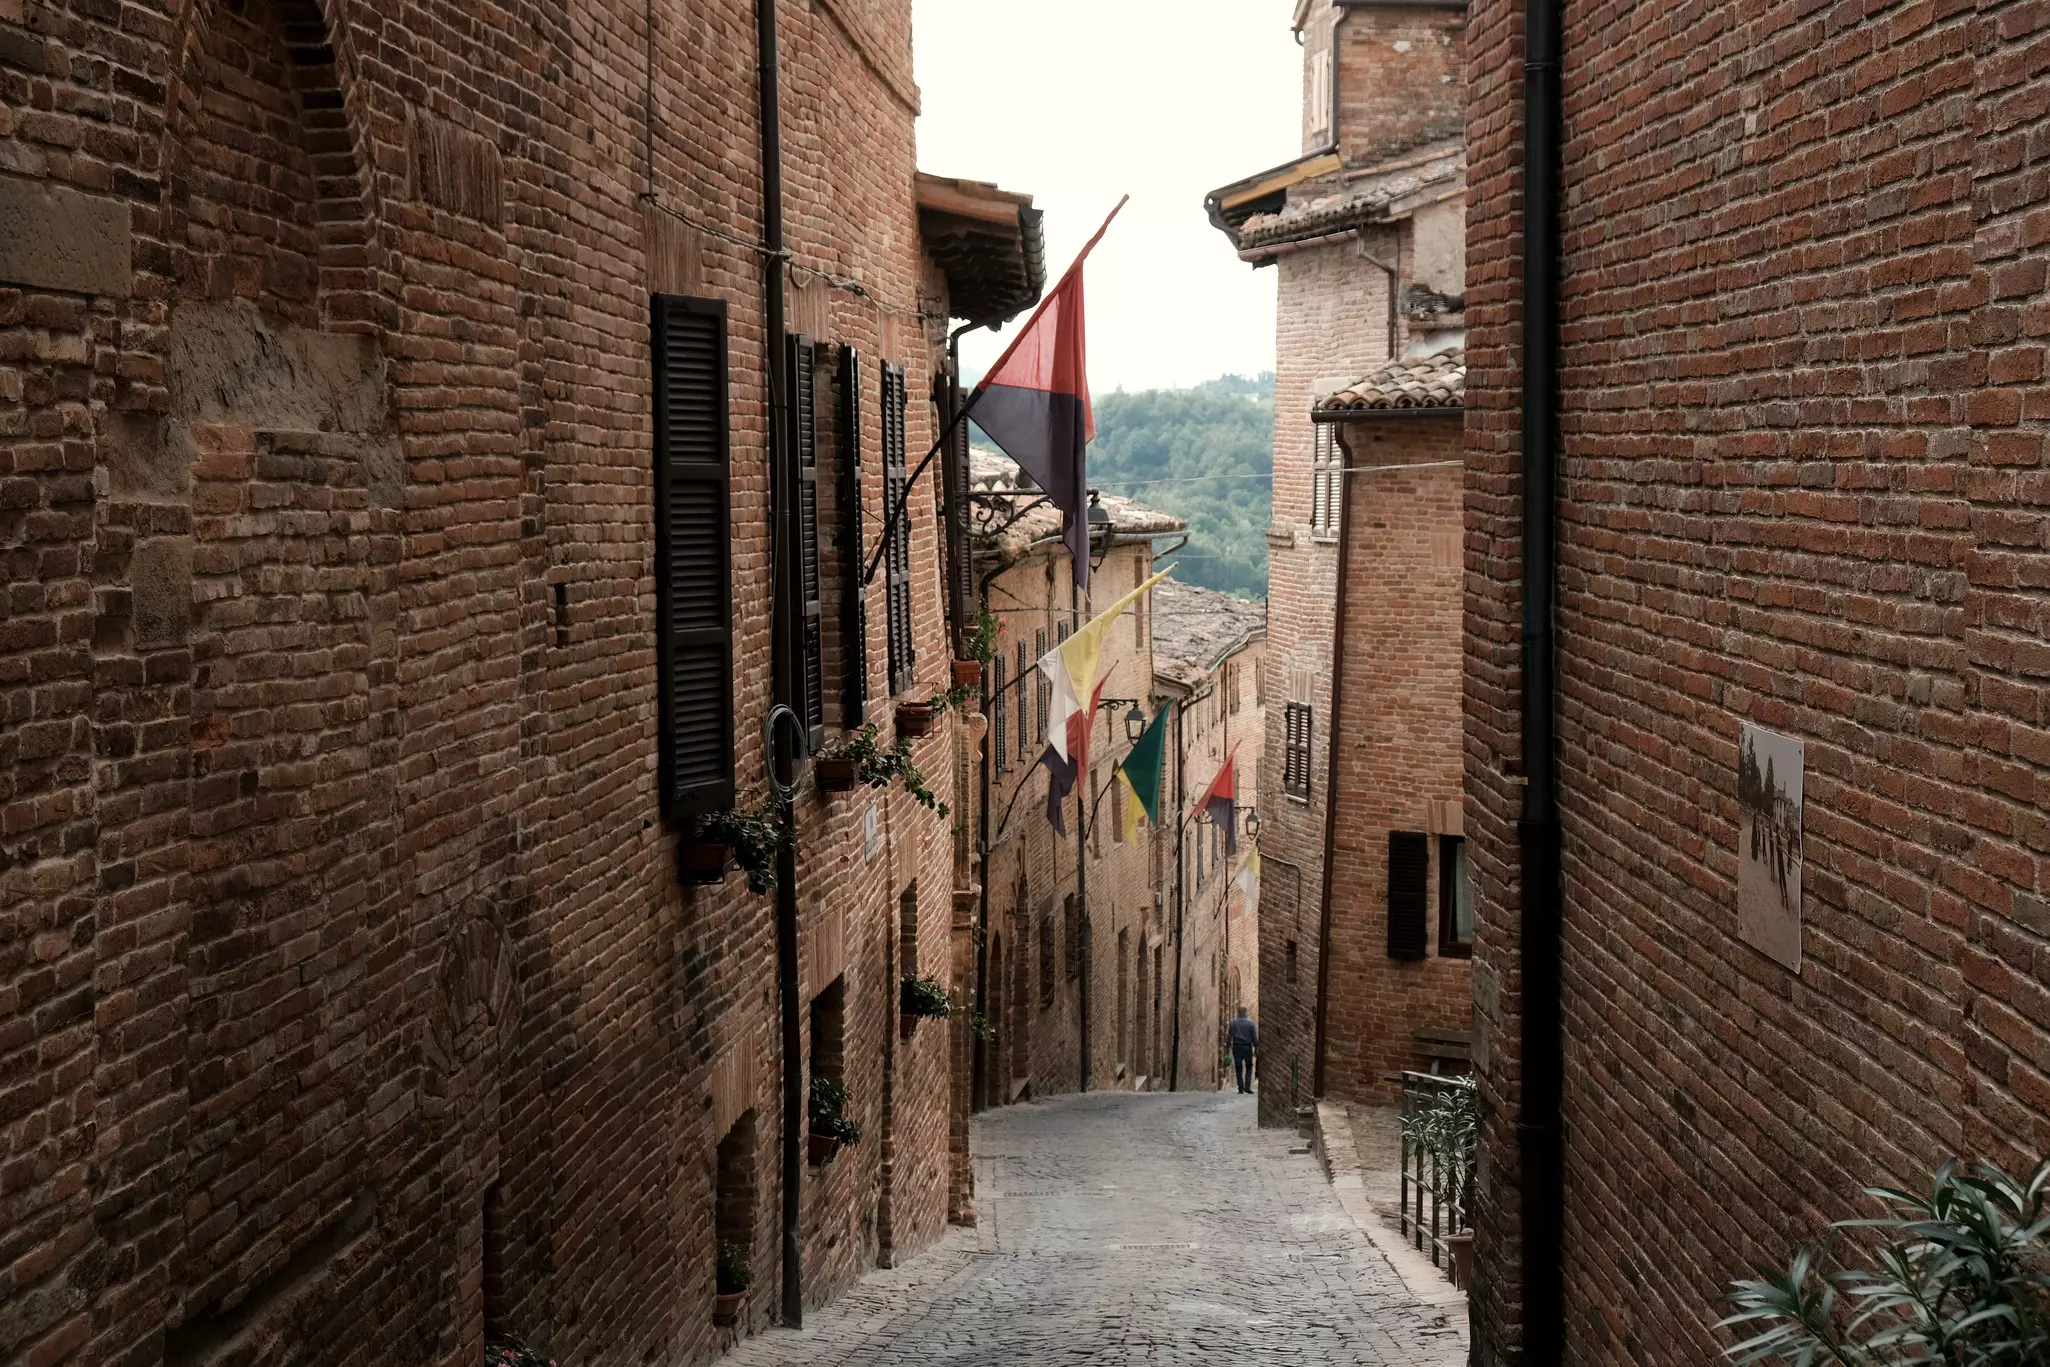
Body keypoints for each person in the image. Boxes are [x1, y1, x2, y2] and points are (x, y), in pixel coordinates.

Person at [1227, 1007, 1257, 1094]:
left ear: (1238, 1012)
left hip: (1237, 1047)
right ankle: (1247, 1087)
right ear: (1246, 1012)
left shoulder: (1233, 1023)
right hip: (1247, 1047)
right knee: (1249, 1067)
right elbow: (1254, 1037)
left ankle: (1240, 1088)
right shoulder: (1251, 1023)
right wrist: (1256, 1048)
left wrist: (1227, 1044)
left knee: (1238, 1067)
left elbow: (1229, 1036)